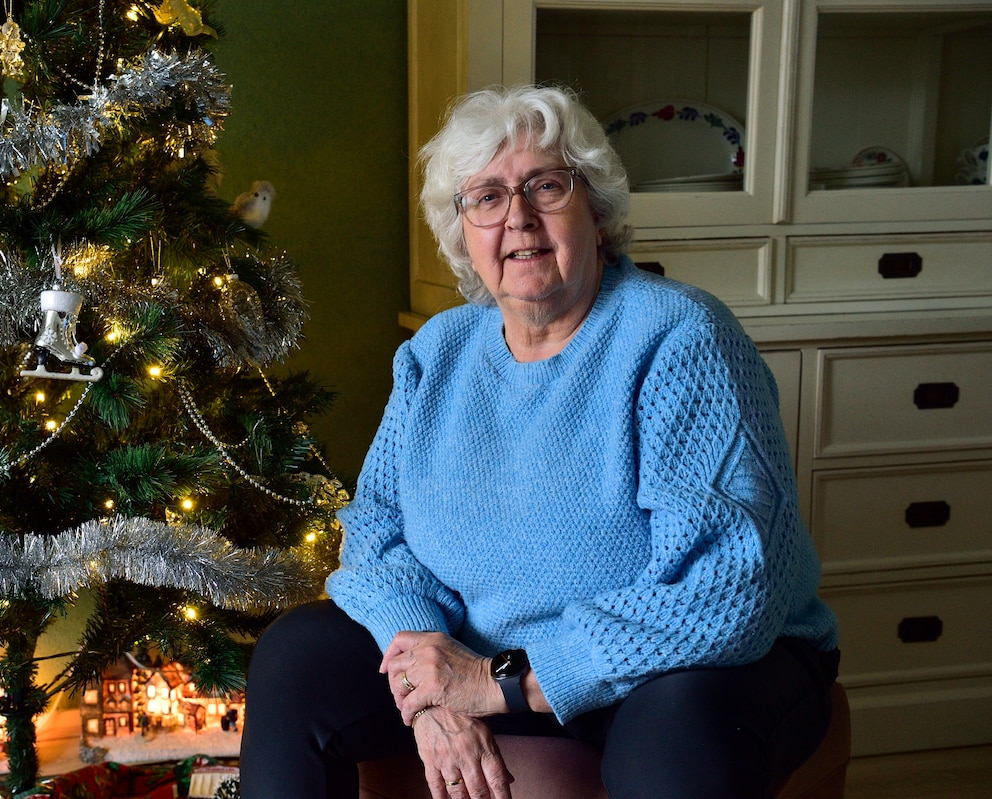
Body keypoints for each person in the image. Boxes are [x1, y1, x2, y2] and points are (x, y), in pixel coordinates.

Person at [239, 84, 840, 799]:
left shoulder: (679, 337)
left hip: (681, 662)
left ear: (597, 211)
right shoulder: (438, 352)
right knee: (296, 656)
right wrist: (427, 678)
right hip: (478, 657)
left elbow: (726, 587)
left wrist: (498, 682)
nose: (517, 217)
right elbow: (376, 531)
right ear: (462, 232)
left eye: (546, 187)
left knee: (675, 746)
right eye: (487, 198)